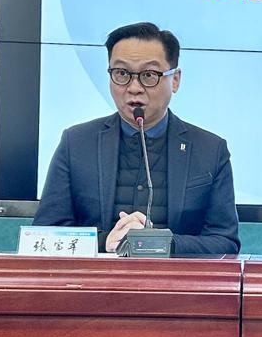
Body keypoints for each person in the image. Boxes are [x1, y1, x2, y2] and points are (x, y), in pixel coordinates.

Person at [33, 22, 239, 255]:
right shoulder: (77, 143)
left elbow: (225, 242)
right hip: (96, 277)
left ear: (175, 79)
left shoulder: (210, 150)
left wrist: (162, 243)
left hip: (173, 278)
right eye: (122, 73)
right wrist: (103, 242)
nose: (134, 87)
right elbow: (44, 235)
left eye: (149, 75)